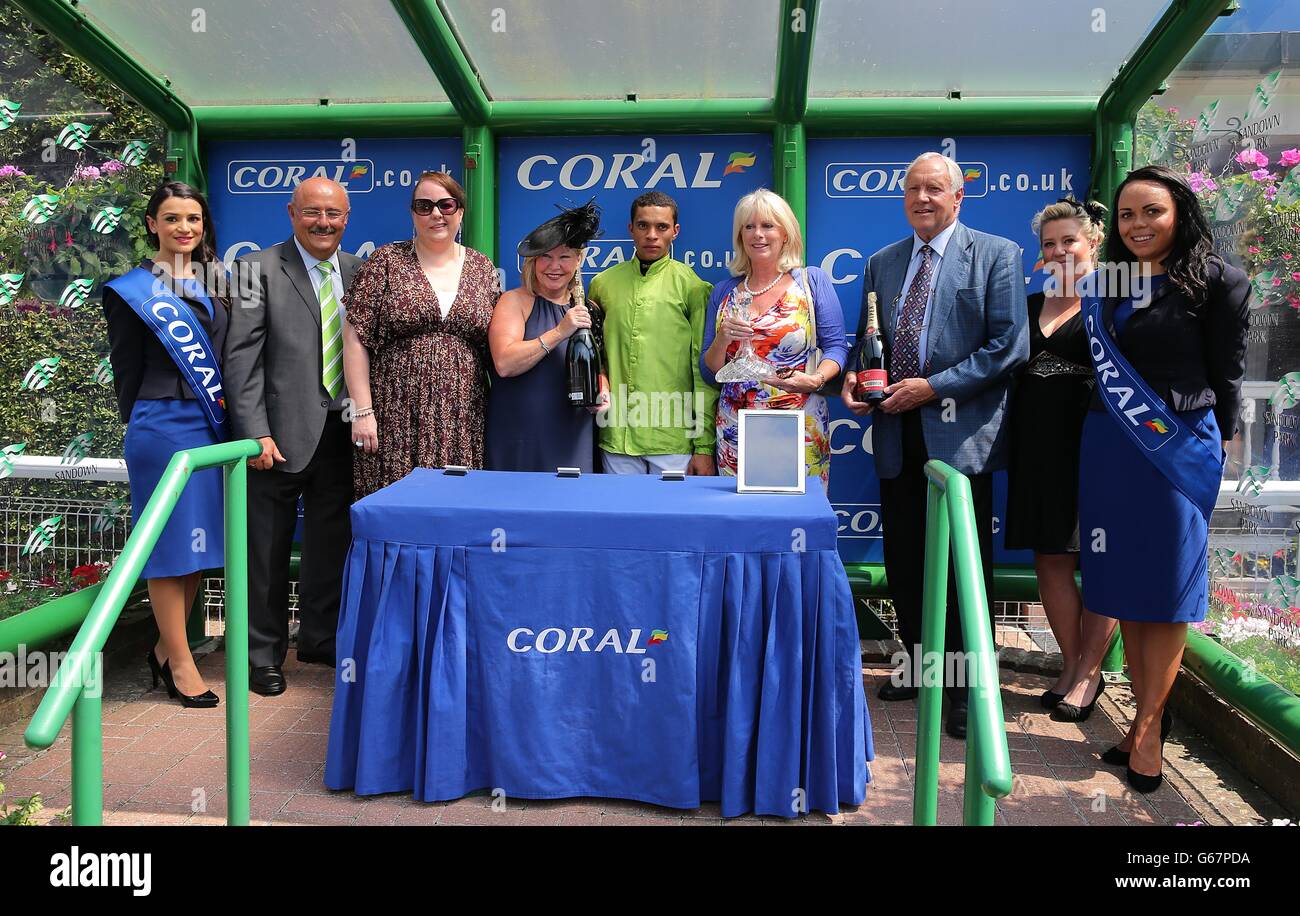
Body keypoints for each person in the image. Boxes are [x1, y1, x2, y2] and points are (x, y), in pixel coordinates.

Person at [841, 152, 1028, 739]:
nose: (922, 198)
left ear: (958, 196)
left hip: (960, 438)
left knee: (963, 570)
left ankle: (970, 690)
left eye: (934, 189)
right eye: (913, 189)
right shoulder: (882, 263)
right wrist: (853, 378)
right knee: (906, 561)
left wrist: (932, 387)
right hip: (896, 432)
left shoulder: (997, 254)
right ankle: (922, 669)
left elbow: (1008, 347)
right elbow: (869, 341)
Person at [1079, 165, 1249, 792]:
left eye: (1151, 211)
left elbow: (1227, 372)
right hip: (1110, 444)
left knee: (1169, 590)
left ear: (1179, 211)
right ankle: (1142, 720)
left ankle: (1148, 728)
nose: (1138, 224)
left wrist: (1218, 448)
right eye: (1126, 215)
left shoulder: (1218, 281)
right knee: (1129, 585)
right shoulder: (1107, 283)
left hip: (1175, 448)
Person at [225, 177, 361, 697]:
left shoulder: (358, 272)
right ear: (291, 212)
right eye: (312, 213)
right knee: (266, 552)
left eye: (334, 214)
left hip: (341, 434)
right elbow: (241, 359)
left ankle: (320, 639)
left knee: (331, 545)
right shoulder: (254, 270)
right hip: (276, 438)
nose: (324, 222)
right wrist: (254, 431)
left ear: (347, 218)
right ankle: (262, 656)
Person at [102, 182, 228, 708]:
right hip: (160, 427)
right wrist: (142, 428)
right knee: (168, 550)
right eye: (173, 219)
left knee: (197, 549)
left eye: (193, 219)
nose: (184, 229)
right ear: (152, 224)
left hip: (206, 423)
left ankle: (162, 648)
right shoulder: (131, 290)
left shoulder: (217, 282)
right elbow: (126, 371)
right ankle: (181, 663)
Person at [1004, 197, 1118, 722]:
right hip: (1037, 451)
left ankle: (1090, 674)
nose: (1058, 251)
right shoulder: (1025, 306)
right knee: (1050, 559)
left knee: (1102, 566)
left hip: (1099, 450)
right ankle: (1072, 665)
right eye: (1048, 244)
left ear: (1093, 241)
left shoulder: (1115, 303)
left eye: (1068, 240)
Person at [342, 171, 500, 499]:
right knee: (392, 504)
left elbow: (496, 348)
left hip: (461, 416)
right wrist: (362, 411)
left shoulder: (482, 269)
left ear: (460, 211)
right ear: (412, 213)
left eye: (445, 204)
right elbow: (355, 337)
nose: (436, 214)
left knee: (455, 504)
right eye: (424, 206)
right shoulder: (385, 261)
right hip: (392, 414)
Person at [700, 189, 847, 484]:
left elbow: (837, 348)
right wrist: (722, 339)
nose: (758, 234)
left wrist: (815, 379)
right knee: (741, 520)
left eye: (768, 225)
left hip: (799, 421)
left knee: (799, 516)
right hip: (735, 427)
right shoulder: (724, 292)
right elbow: (709, 372)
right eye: (749, 226)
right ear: (740, 236)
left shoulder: (811, 282)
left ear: (785, 233)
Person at [587, 192, 717, 475]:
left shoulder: (693, 287)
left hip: (672, 438)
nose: (652, 235)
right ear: (630, 228)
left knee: (675, 520)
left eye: (661, 227)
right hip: (616, 436)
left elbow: (703, 370)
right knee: (619, 519)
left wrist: (704, 447)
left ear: (675, 231)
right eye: (643, 225)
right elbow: (595, 358)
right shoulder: (602, 284)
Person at [486, 201, 605, 472]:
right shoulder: (514, 301)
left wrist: (603, 390)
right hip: (519, 437)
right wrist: (560, 331)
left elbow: (599, 366)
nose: (555, 266)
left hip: (572, 436)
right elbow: (504, 363)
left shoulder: (589, 310)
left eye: (564, 257)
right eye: (546, 257)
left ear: (578, 261)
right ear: (533, 261)